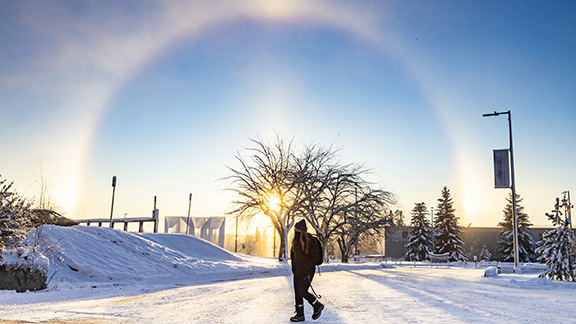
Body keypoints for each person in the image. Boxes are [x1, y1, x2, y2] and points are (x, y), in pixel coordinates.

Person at [290, 219, 324, 322]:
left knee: (302, 291)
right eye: (295, 229)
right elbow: (294, 256)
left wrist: (306, 267)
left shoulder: (311, 240)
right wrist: (294, 268)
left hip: (307, 270)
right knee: (297, 292)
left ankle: (317, 305)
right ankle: (300, 314)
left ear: (302, 230)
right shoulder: (295, 241)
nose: (295, 231)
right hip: (297, 271)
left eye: (297, 229)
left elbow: (315, 257)